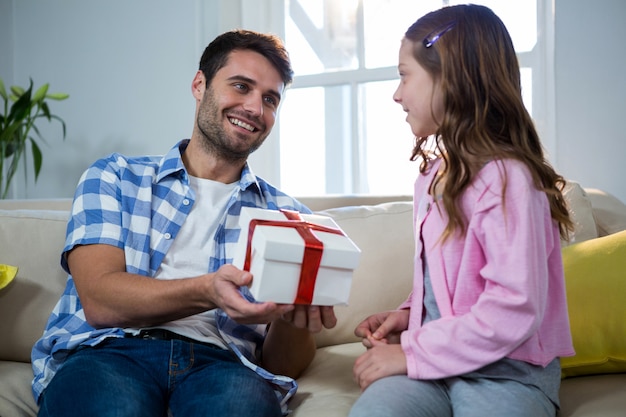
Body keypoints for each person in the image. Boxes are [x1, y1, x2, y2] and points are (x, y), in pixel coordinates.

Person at [31, 29, 337, 417]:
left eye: (270, 99)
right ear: (199, 84)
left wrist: (296, 318)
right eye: (241, 86)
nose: (255, 108)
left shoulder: (290, 218)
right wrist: (209, 290)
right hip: (110, 352)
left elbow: (280, 367)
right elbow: (100, 301)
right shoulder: (114, 177)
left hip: (225, 366)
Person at [349, 5, 575, 417]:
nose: (397, 94)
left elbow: (513, 306)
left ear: (449, 78)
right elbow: (450, 287)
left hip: (506, 374)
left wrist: (409, 352)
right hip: (433, 370)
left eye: (404, 75)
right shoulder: (434, 176)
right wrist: (407, 315)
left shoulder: (508, 181)